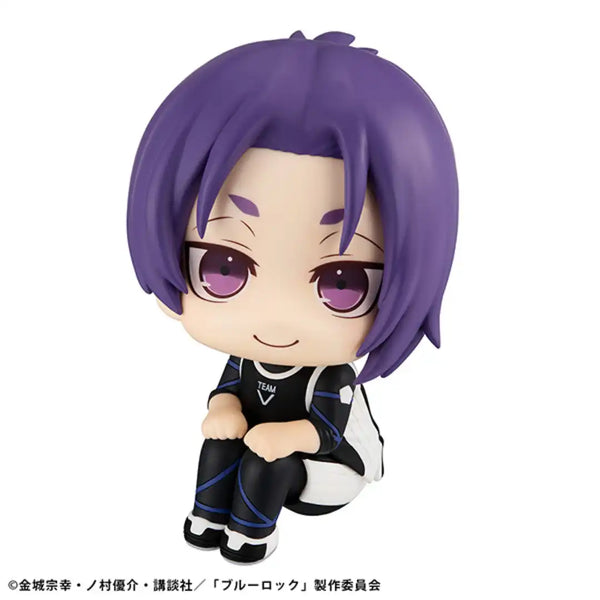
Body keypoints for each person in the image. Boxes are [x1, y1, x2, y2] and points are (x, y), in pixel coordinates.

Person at [127, 30, 458, 563]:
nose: (277, 317)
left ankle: (251, 534)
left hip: (330, 471)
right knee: (221, 446)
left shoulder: (330, 376)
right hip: (259, 446)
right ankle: (206, 518)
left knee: (266, 464)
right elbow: (228, 390)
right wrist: (222, 409)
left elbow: (327, 432)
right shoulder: (246, 357)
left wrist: (286, 437)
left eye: (342, 282)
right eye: (223, 268)